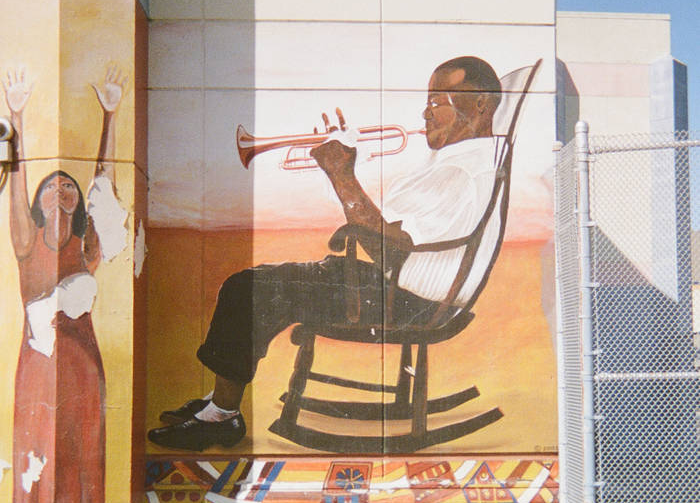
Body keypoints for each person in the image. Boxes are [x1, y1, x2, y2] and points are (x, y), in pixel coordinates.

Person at [149, 56, 502, 452]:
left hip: (411, 303)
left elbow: (391, 250)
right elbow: (387, 236)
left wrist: (342, 174)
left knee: (246, 289)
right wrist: (346, 168)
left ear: (480, 104)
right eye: (427, 101)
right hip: (399, 290)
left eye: (438, 101)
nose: (425, 113)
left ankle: (222, 415)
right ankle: (220, 401)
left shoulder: (462, 173)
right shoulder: (454, 162)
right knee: (263, 284)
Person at [4, 66, 126, 503]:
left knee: (79, 458)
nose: (61, 190)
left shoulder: (87, 246)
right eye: (52, 185)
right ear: (40, 201)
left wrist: (110, 117)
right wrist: (15, 118)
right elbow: (15, 182)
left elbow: (104, 186)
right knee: (39, 455)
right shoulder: (26, 241)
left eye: (68, 186)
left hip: (82, 368)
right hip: (37, 367)